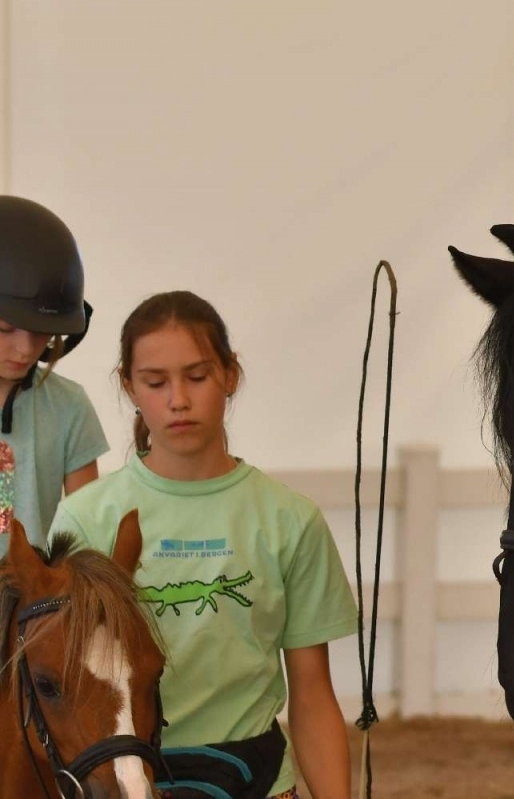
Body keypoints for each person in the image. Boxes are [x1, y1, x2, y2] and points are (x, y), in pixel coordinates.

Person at [52, 291, 356, 799]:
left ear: (230, 375)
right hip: (124, 782)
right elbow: (59, 691)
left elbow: (312, 693)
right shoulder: (85, 518)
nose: (178, 399)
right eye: (156, 382)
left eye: (196, 377)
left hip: (258, 782)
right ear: (129, 386)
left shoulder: (290, 521)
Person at [0, 195, 108, 556]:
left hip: (36, 608)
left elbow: (86, 533)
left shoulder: (68, 407)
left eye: (42, 332)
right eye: (4, 329)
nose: (25, 350)